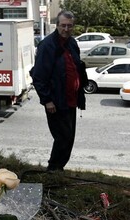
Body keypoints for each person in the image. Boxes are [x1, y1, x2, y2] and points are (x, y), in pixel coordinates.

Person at [32, 10, 87, 172]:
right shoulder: (47, 45)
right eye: (63, 25)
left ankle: (59, 167)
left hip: (71, 99)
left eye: (70, 26)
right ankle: (53, 168)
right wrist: (47, 100)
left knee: (69, 137)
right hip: (55, 101)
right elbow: (39, 76)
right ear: (57, 26)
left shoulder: (72, 43)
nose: (66, 29)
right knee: (62, 136)